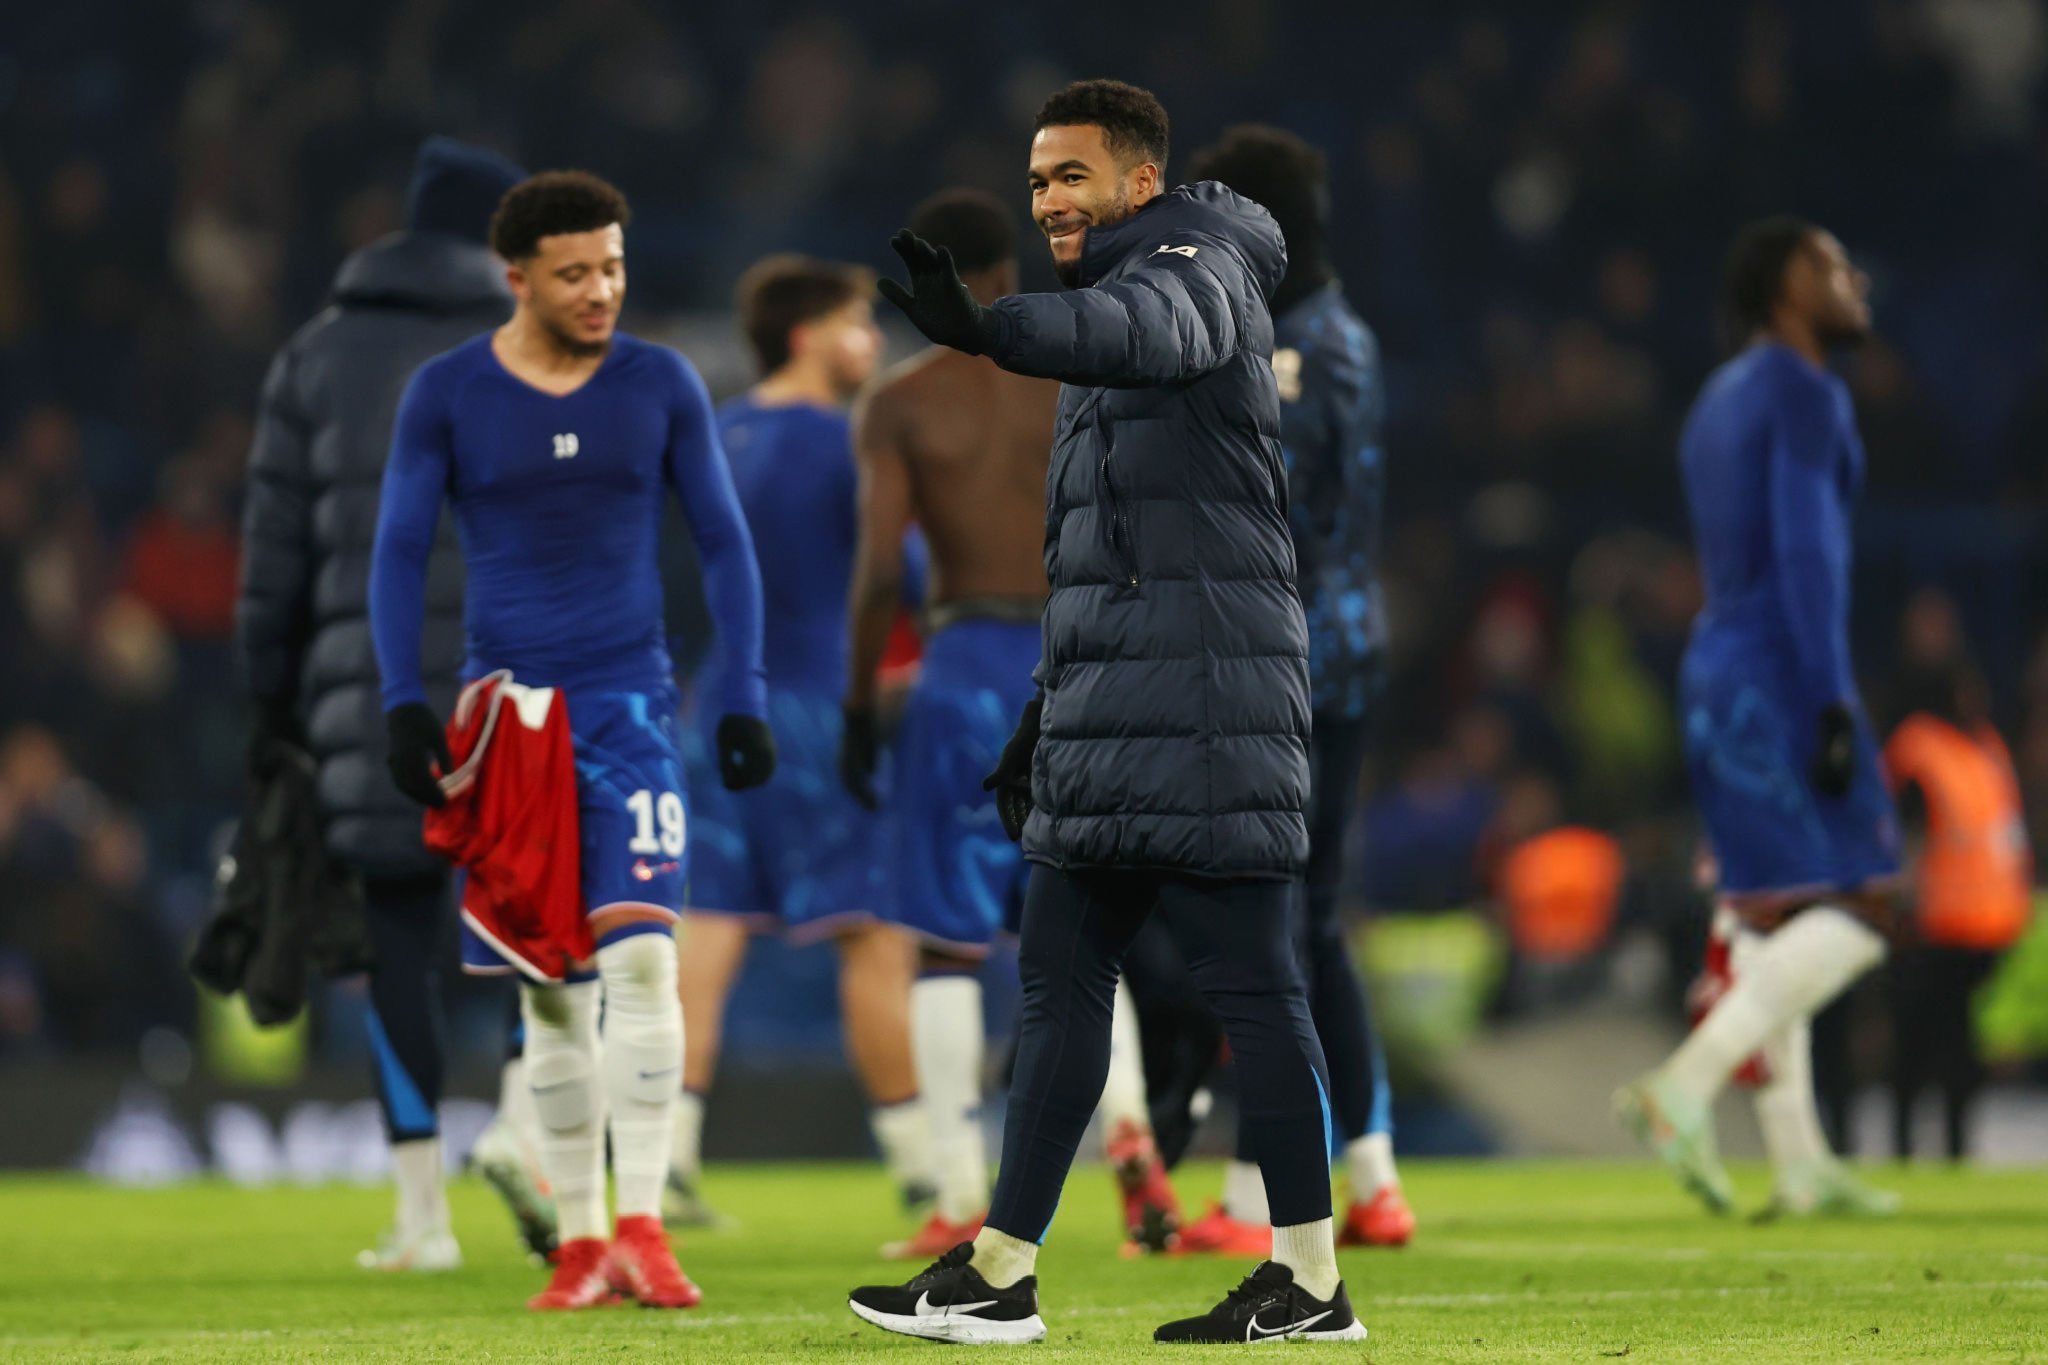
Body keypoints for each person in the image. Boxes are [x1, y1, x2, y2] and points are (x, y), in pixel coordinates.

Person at [847, 80, 1366, 1346]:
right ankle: (997, 1270)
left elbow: (1151, 331)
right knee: (1058, 982)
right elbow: (1101, 555)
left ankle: (1307, 1283)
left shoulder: (1192, 268)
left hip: (1206, 706)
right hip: (1117, 704)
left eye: (1070, 177)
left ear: (1139, 181)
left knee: (1252, 986)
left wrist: (984, 329)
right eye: (1034, 183)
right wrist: (1048, 708)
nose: (1048, 201)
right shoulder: (1104, 303)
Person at [369, 170, 776, 1310]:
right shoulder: (447, 394)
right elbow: (399, 552)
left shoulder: (660, 383)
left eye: (613, 266)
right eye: (575, 273)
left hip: (630, 708)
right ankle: (582, 1241)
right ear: (516, 279)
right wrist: (404, 699)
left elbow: (725, 543)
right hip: (507, 723)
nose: (602, 290)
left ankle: (643, 1224)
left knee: (643, 960)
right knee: (546, 994)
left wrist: (736, 692)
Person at [838, 189, 1180, 1261]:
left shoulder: (900, 401)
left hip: (960, 667)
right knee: (1088, 938)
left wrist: (857, 707)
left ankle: (951, 1191)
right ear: (1008, 270)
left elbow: (871, 577)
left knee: (943, 944)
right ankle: (1139, 1172)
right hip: (1077, 660)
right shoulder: (1081, 372)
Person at [235, 136, 547, 1270]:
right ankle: (524, 1124)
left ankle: (421, 1218)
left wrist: (271, 713)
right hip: (517, 679)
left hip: (367, 693)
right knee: (533, 932)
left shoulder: (315, 357)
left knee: (398, 943)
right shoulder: (531, 345)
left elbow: (269, 567)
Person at [1140, 122, 1414, 1256]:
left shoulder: (1292, 350)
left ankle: (1257, 1199)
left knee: (1265, 929)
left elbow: (1270, 527)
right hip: (1334, 652)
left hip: (1283, 666)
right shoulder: (1338, 332)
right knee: (1313, 920)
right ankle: (1375, 1175)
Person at [1617, 217, 1902, 1219]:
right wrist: (1828, 696)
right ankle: (1680, 1088)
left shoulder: (1718, 396)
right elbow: (1806, 551)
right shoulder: (1802, 389)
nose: (1849, 277)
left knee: (1767, 912)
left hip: (1716, 665)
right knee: (1868, 904)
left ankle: (1796, 1162)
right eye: (1828, 262)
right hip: (1781, 668)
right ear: (1783, 286)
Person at [667, 255, 933, 1227]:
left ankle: (668, 1163)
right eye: (858, 322)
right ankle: (921, 1169)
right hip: (819, 713)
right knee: (870, 934)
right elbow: (909, 576)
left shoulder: (714, 433)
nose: (870, 341)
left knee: (706, 926)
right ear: (804, 336)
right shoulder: (843, 441)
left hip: (717, 707)